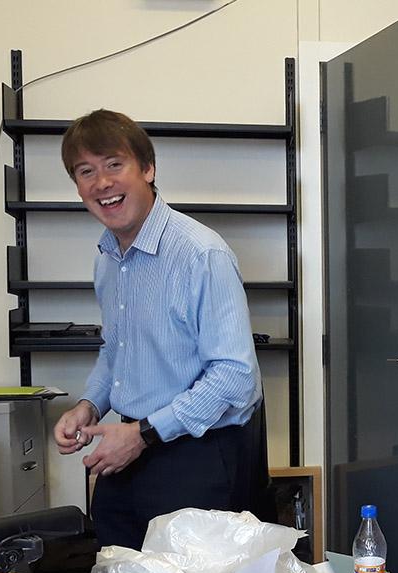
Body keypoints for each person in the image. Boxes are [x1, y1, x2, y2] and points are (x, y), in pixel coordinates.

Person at [51, 109, 274, 549]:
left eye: (115, 164)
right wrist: (90, 406)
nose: (102, 183)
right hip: (128, 446)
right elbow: (117, 350)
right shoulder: (107, 258)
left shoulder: (200, 254)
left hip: (199, 455)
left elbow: (235, 378)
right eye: (86, 172)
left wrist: (144, 435)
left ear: (148, 168)